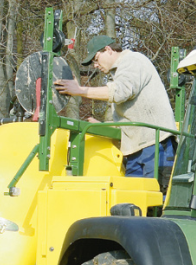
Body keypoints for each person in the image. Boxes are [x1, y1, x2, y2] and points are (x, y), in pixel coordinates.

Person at [55, 36, 177, 192]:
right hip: (135, 149)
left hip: (155, 143)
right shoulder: (120, 72)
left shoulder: (132, 61)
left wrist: (80, 91)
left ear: (108, 49)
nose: (95, 65)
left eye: (96, 59)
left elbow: (120, 92)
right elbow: (128, 117)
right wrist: (104, 128)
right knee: (133, 201)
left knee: (155, 198)